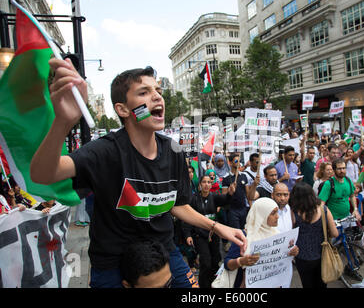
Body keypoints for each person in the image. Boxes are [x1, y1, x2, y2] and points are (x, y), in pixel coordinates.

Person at [30, 60, 246, 288]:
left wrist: (216, 226)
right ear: (123, 109)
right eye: (144, 92)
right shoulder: (105, 151)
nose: (157, 97)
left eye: (158, 91)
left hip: (163, 251)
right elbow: (43, 174)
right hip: (113, 262)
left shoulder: (173, 152)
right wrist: (62, 121)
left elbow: (177, 204)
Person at [223, 197, 299, 288]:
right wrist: (241, 261)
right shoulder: (245, 236)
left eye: (277, 212)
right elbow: (227, 264)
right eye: (273, 213)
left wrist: (292, 251)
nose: (277, 216)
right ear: (261, 215)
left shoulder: (277, 235)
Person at [182, 175, 230, 288]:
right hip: (199, 235)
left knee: (216, 260)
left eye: (209, 182)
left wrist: (230, 193)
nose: (206, 184)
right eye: (204, 182)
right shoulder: (193, 199)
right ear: (200, 185)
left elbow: (226, 200)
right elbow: (187, 218)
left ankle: (214, 283)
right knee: (206, 262)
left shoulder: (215, 197)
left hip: (213, 234)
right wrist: (188, 235)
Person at [290, 182, 339, 288]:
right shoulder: (324, 210)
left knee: (307, 284)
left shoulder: (293, 212)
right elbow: (335, 233)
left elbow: (291, 233)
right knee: (321, 284)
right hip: (321, 254)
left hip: (302, 256)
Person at [222, 153, 250, 229]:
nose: (239, 163)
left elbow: (248, 195)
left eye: (239, 161)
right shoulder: (226, 178)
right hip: (232, 210)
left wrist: (251, 207)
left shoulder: (244, 176)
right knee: (236, 233)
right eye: (236, 161)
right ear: (230, 163)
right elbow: (224, 196)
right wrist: (229, 190)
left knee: (244, 232)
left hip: (243, 209)